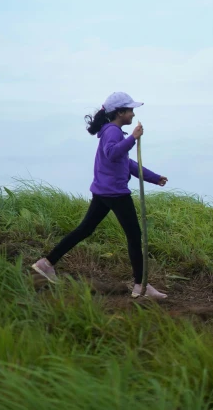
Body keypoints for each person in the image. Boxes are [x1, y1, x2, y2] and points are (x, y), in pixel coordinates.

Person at [32, 92, 168, 299]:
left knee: (85, 229)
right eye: (130, 110)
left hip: (103, 191)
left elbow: (126, 163)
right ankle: (140, 285)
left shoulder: (111, 131)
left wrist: (154, 177)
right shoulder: (113, 132)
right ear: (119, 112)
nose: (133, 114)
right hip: (115, 193)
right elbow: (113, 153)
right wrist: (133, 138)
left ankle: (46, 263)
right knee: (134, 237)